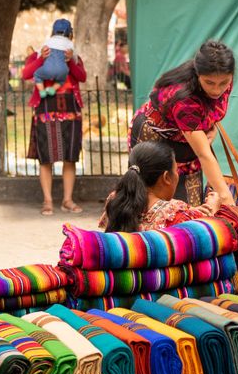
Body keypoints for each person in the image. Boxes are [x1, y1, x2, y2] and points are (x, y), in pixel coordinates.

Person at [129, 39, 236, 207]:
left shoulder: (222, 81)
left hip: (187, 138)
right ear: (198, 74)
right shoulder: (185, 99)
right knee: (154, 204)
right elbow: (204, 154)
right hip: (155, 137)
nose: (217, 90)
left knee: (191, 206)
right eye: (209, 83)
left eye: (223, 83)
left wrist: (212, 127)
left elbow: (211, 110)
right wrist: (227, 199)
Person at [22, 18, 86, 216]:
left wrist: (72, 61)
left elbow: (81, 77)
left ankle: (67, 200)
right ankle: (47, 201)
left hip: (70, 109)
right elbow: (26, 74)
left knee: (70, 157)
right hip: (45, 110)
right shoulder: (39, 54)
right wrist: (41, 58)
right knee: (45, 158)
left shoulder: (73, 55)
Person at [100, 141, 220, 232]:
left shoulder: (116, 200)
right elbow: (211, 237)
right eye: (176, 170)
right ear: (166, 177)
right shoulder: (174, 215)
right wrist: (214, 212)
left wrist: (191, 212)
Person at [33, 18, 74, 97]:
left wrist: (42, 56)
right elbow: (74, 57)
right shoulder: (69, 43)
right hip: (63, 70)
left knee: (37, 75)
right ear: (69, 32)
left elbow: (39, 55)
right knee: (62, 80)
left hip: (48, 69)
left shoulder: (48, 41)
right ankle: (52, 89)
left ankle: (42, 92)